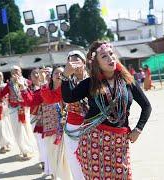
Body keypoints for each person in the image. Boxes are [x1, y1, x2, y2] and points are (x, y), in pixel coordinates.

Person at [62, 41, 152, 179]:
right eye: (104, 56)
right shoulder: (90, 83)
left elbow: (146, 106)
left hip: (119, 142)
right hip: (94, 142)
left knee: (123, 175)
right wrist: (65, 77)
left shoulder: (127, 81)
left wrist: (138, 129)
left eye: (111, 54)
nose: (110, 58)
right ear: (96, 63)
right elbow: (69, 97)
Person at [38, 66, 72, 179]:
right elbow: (49, 98)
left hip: (67, 130)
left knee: (66, 160)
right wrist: (43, 82)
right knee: (54, 159)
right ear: (51, 77)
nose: (59, 75)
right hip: (50, 131)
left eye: (62, 73)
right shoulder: (46, 91)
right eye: (56, 73)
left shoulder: (70, 90)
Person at [0, 65, 34, 160]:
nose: (15, 73)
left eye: (17, 71)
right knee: (18, 131)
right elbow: (1, 95)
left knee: (27, 129)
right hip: (13, 109)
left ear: (20, 72)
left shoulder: (27, 81)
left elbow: (32, 93)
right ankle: (24, 150)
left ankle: (29, 148)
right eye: (13, 72)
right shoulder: (9, 84)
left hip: (24, 109)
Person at [63, 50, 88, 180]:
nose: (73, 63)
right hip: (72, 127)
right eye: (70, 61)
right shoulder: (66, 82)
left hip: (92, 125)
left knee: (92, 160)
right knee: (75, 162)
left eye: (76, 59)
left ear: (84, 62)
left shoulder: (93, 80)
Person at [0, 71, 13, 153]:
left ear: (3, 77)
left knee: (7, 126)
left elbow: (4, 95)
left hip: (6, 107)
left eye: (0, 76)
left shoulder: (6, 85)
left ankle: (8, 142)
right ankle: (2, 145)